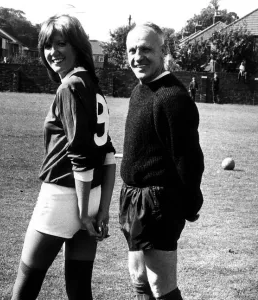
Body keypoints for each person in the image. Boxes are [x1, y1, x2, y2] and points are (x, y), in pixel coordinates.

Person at [11, 14, 116, 300]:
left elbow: (82, 156)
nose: (52, 52)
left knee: (26, 282)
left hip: (63, 197)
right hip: (91, 196)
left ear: (77, 46)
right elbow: (107, 155)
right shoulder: (91, 83)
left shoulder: (69, 86)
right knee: (80, 288)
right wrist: (101, 209)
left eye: (61, 43)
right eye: (47, 45)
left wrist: (82, 212)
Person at [119, 22, 204, 300]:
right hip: (133, 198)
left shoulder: (171, 97)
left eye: (146, 49)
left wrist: (190, 204)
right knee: (139, 278)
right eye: (132, 50)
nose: (137, 56)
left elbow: (189, 160)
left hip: (158, 203)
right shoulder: (140, 90)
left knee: (161, 286)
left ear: (163, 51)